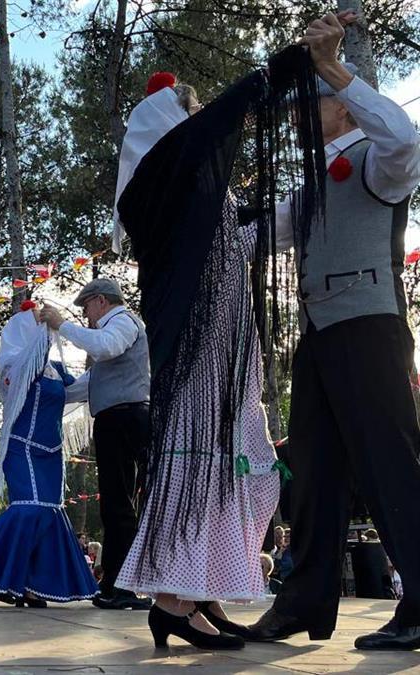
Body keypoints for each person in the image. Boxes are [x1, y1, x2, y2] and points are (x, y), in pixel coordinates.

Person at [239, 13, 420, 652]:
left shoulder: (376, 158)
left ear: (343, 108)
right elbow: (252, 238)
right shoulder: (307, 186)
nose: (298, 116)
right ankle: (303, 602)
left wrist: (334, 70)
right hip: (319, 336)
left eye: (311, 102)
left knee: (389, 464)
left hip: (369, 328)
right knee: (312, 470)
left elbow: (405, 135)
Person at [112, 70, 283, 652]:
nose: (203, 112)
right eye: (193, 106)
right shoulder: (162, 180)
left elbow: (243, 234)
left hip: (229, 351)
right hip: (194, 353)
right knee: (196, 465)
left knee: (232, 462)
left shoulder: (203, 185)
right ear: (170, 121)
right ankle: (170, 602)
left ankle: (202, 593)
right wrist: (262, 81)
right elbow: (204, 137)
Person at [0, 308, 99, 609]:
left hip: (51, 453)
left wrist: (108, 362)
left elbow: (79, 390)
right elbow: (26, 368)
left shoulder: (54, 370)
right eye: (36, 324)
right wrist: (46, 327)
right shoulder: (13, 366)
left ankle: (32, 586)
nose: (45, 332)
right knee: (30, 511)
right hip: (21, 448)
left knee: (50, 514)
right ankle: (5, 580)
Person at [38, 278, 151, 611]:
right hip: (117, 420)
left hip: (125, 418)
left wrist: (63, 325)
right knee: (115, 504)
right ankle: (116, 583)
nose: (85, 315)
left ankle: (124, 586)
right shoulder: (112, 334)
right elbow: (87, 384)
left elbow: (104, 346)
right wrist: (45, 391)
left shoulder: (123, 323)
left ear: (101, 301)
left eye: (86, 307)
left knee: (121, 505)